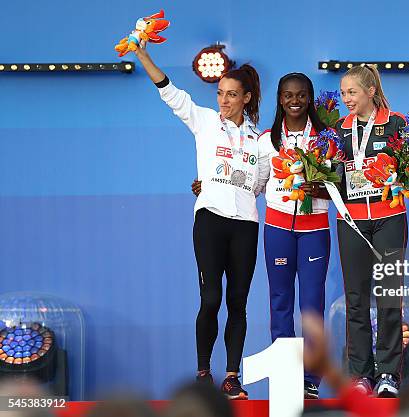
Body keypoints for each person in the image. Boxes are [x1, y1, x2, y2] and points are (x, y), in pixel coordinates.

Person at [134, 41, 264, 400]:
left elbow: (266, 183)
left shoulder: (260, 140)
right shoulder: (205, 121)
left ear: (247, 98)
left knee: (238, 302)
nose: (223, 100)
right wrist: (144, 56)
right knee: (210, 299)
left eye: (232, 95)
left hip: (246, 225)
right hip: (210, 220)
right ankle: (204, 373)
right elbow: (170, 93)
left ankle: (232, 377)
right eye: (221, 93)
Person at [193, 72, 332, 399]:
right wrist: (209, 185)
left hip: (315, 230)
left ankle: (310, 379)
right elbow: (255, 184)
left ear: (309, 99)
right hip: (278, 228)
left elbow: (336, 186)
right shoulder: (266, 139)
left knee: (312, 305)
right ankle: (287, 373)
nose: (294, 101)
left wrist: (320, 188)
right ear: (279, 99)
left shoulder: (326, 138)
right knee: (280, 303)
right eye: (287, 95)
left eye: (300, 95)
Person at [335, 64, 408, 397]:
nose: (346, 99)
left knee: (389, 295)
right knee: (355, 298)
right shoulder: (338, 129)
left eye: (351, 92)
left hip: (389, 217)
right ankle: (360, 375)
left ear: (370, 92)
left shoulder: (396, 124)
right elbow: (333, 174)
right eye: (342, 93)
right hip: (351, 220)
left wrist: (406, 176)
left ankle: (389, 374)